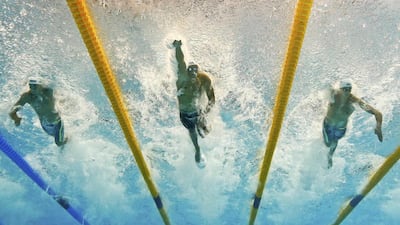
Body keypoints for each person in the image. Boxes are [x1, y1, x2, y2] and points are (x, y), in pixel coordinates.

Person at [172, 40, 215, 164]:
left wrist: (206, 112)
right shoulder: (182, 78)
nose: (193, 73)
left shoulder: (203, 79)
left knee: (203, 132)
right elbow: (180, 62)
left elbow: (212, 99)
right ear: (187, 71)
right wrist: (178, 47)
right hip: (185, 114)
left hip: (198, 111)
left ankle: (203, 130)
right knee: (192, 131)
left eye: (195, 70)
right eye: (190, 70)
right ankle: (197, 149)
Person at [322, 80, 383, 168]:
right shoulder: (334, 94)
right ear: (340, 89)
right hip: (328, 125)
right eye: (345, 89)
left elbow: (377, 113)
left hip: (341, 129)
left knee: (335, 141)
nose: (347, 92)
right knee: (328, 144)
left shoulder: (354, 100)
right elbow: (324, 87)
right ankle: (329, 156)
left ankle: (330, 156)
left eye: (349, 89)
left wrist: (378, 127)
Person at [9, 78, 68, 147]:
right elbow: (12, 111)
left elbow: (61, 97)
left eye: (35, 86)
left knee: (59, 142)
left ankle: (69, 139)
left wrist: (65, 105)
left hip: (57, 122)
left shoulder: (49, 91)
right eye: (30, 85)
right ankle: (66, 142)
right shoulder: (27, 96)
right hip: (45, 126)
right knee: (59, 140)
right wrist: (16, 118)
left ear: (41, 85)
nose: (32, 88)